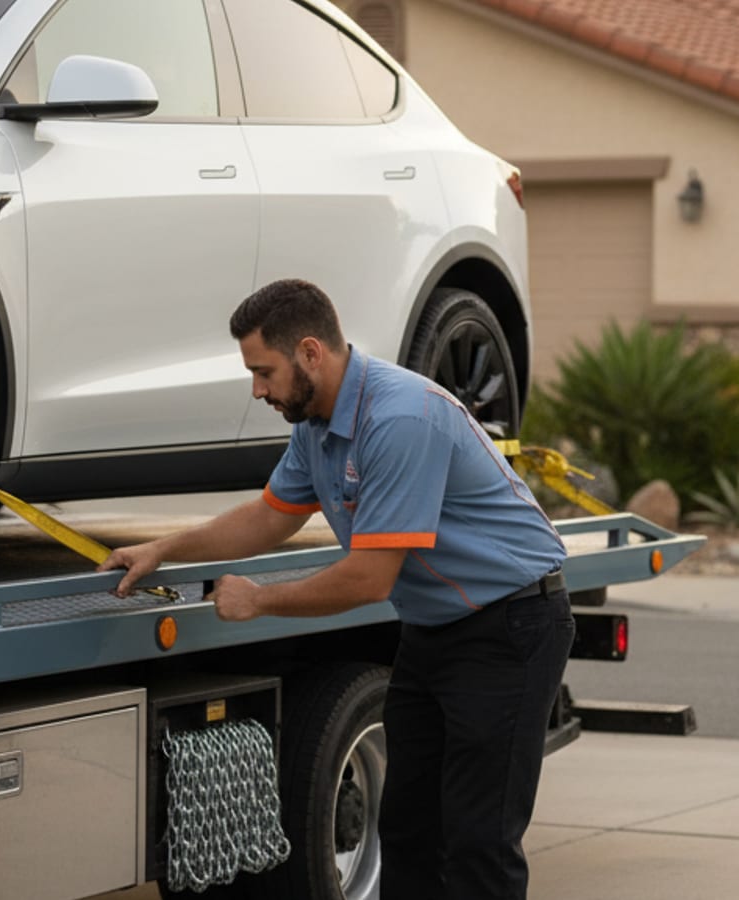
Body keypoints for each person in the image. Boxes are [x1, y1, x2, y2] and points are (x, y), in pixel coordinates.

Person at [98, 278, 573, 900]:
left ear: (311, 353)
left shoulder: (400, 417)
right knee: (407, 830)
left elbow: (371, 578)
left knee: (479, 841)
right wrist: (163, 551)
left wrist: (260, 600)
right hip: (436, 631)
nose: (257, 389)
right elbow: (270, 517)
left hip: (511, 627)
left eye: (264, 371)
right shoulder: (316, 424)